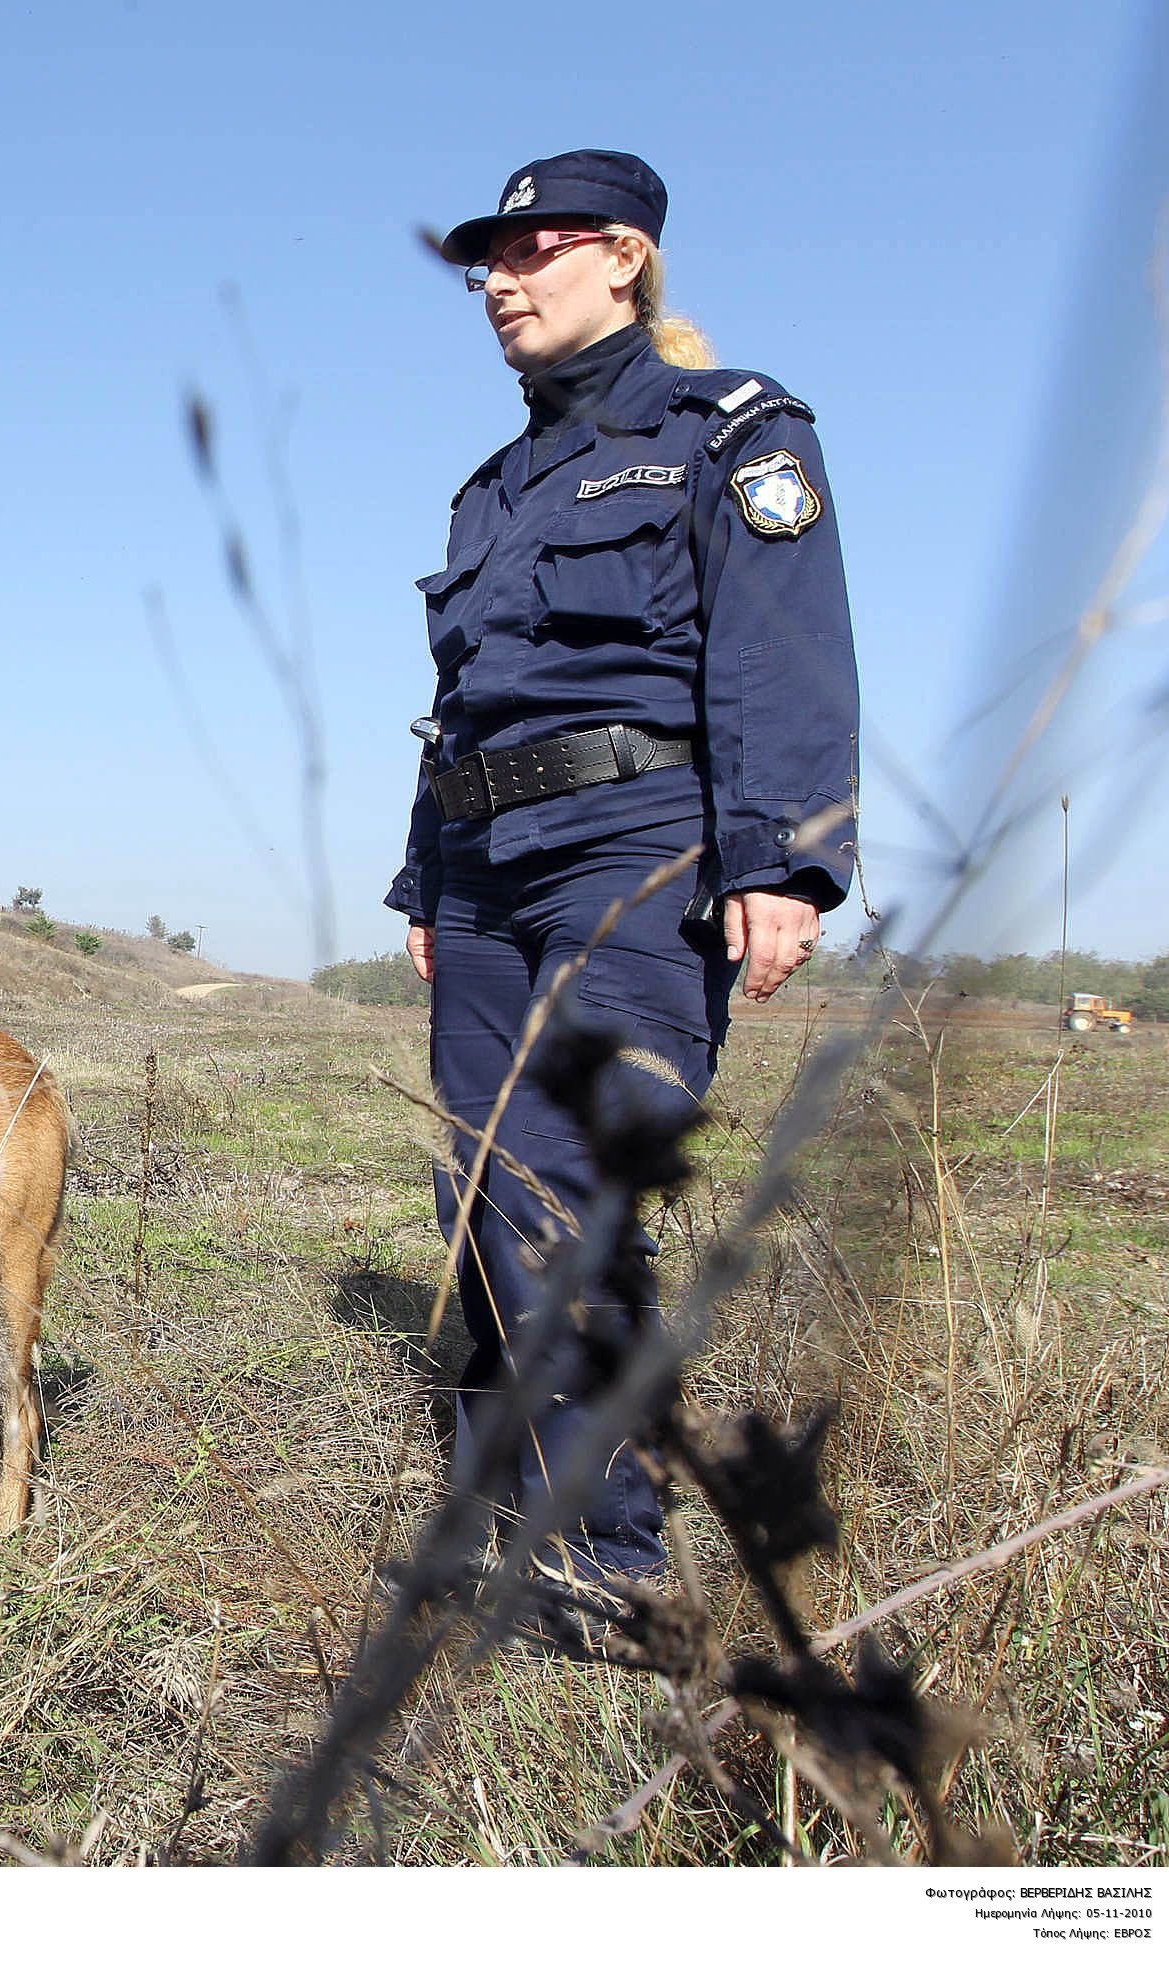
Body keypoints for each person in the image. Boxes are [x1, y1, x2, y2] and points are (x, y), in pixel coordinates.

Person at [389, 150, 859, 1588]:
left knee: (567, 1187)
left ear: (625, 258)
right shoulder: (494, 487)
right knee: (484, 1182)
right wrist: (426, 879)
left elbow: (779, 647)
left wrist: (784, 858)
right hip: (482, 863)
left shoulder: (732, 430)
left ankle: (606, 1557)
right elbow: (468, 691)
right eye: (488, 260)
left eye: (533, 251)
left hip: (637, 845)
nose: (500, 282)